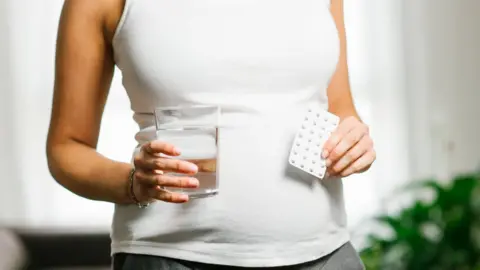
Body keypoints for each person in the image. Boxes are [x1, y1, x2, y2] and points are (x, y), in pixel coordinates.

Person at [46, 0, 376, 269]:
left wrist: (353, 139)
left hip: (326, 253)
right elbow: (66, 148)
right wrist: (132, 182)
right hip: (172, 256)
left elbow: (339, 109)